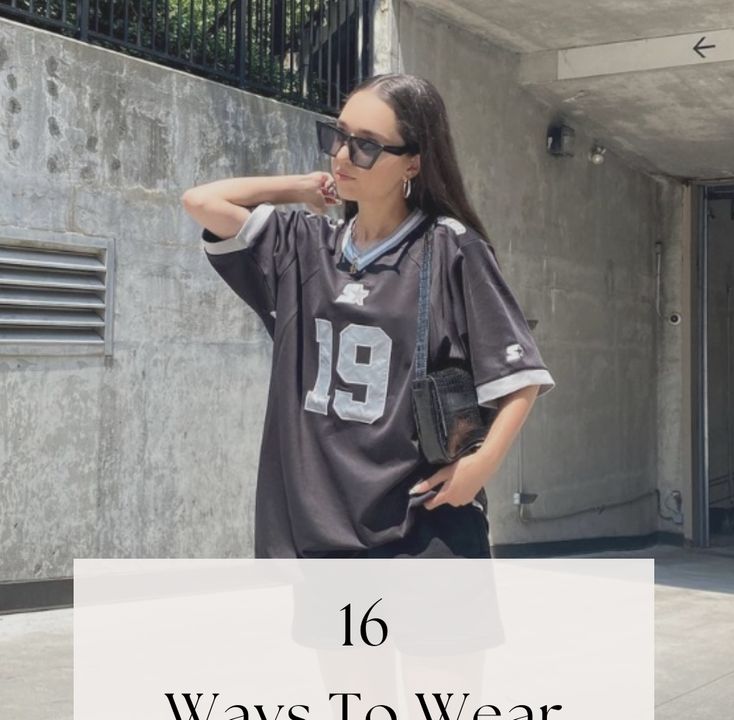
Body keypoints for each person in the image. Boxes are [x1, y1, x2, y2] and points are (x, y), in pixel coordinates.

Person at [181, 72, 555, 560]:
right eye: (337, 137)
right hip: (318, 528)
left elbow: (519, 379)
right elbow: (201, 201)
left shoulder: (450, 249)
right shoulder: (304, 247)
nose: (341, 156)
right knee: (339, 641)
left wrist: (480, 467)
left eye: (366, 146)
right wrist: (301, 187)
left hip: (423, 526)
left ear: (413, 164)